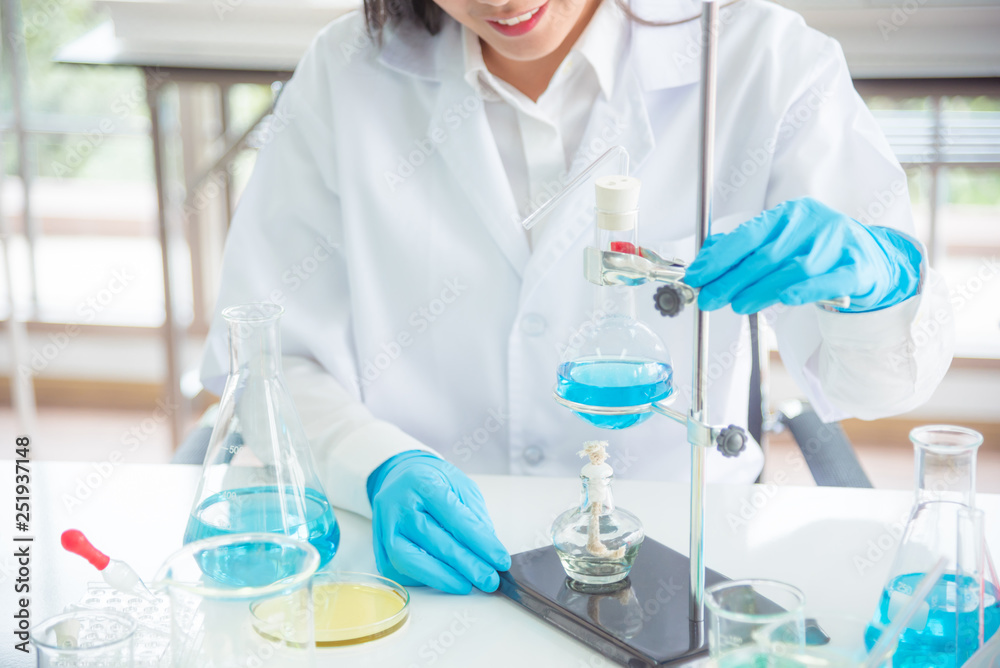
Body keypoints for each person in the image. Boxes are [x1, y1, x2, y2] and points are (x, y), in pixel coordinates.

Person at [200, 0, 953, 595]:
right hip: (428, 566)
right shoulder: (346, 73)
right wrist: (374, 464)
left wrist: (877, 280)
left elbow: (878, 385)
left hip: (679, 556)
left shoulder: (760, 58)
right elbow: (265, 354)